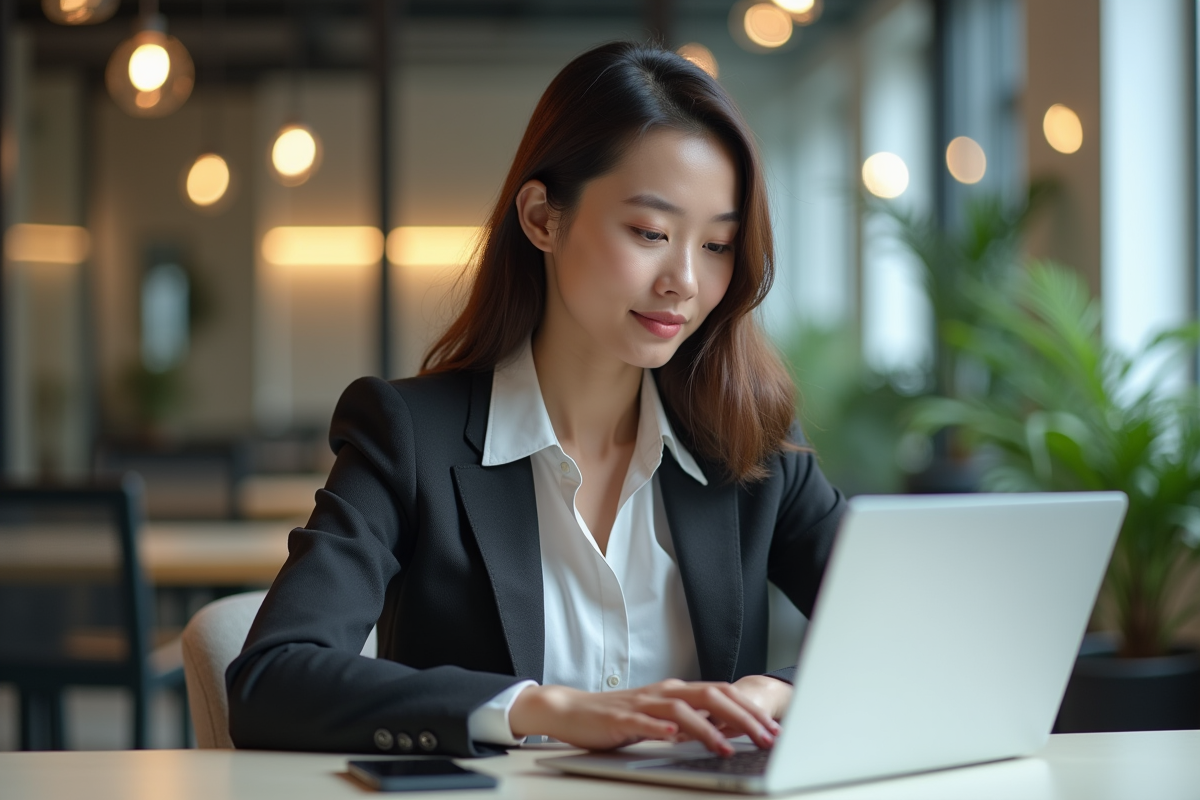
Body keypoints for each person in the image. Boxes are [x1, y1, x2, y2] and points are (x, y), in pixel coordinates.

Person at [226, 41, 845, 759]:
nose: (684, 280)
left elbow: (918, 624)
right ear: (543, 218)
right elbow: (271, 679)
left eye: (717, 246)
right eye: (650, 233)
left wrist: (782, 691)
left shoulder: (752, 443)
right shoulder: (408, 438)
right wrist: (536, 709)